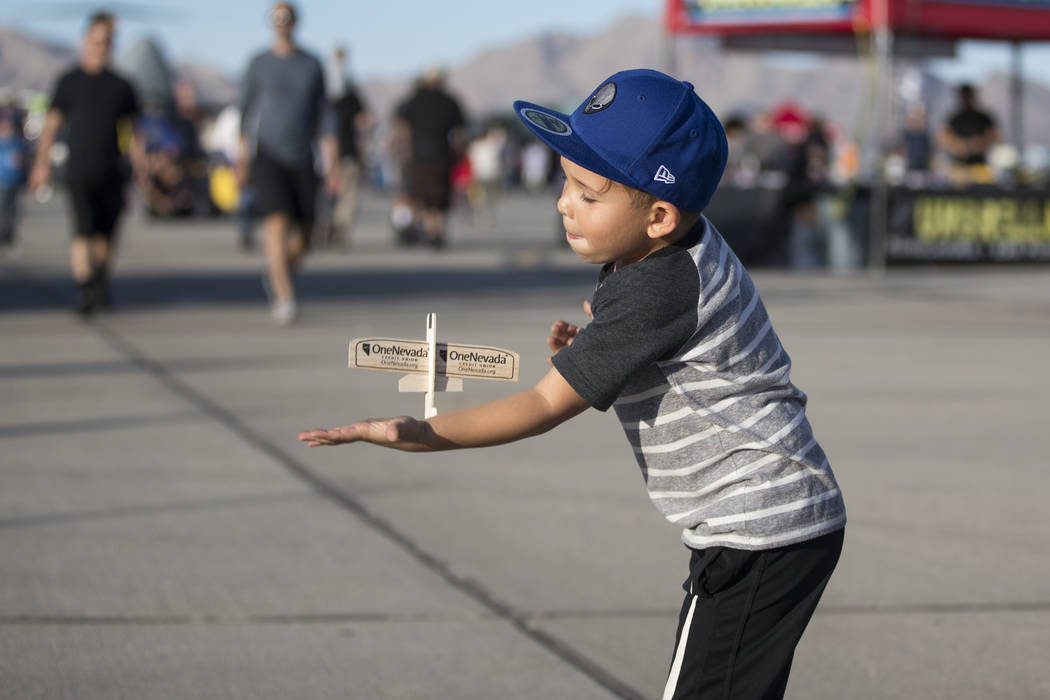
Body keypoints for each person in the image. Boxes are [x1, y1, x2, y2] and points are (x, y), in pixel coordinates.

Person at [299, 69, 846, 700]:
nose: (564, 204)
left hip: (758, 527)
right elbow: (678, 345)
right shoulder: (670, 253)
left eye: (588, 194)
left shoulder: (655, 286)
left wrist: (423, 432)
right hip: (775, 517)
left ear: (659, 215)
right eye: (565, 182)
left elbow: (541, 403)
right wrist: (601, 347)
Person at [29, 11, 143, 316]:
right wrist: (42, 164)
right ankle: (85, 289)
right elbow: (51, 125)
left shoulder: (122, 85)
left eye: (107, 41)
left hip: (112, 169)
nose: (101, 46)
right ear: (85, 41)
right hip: (79, 167)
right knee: (82, 230)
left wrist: (140, 165)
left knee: (105, 234)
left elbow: (134, 131)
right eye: (97, 40)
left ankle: (99, 279)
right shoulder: (69, 81)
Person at [237, 1, 339, 325]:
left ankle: (279, 271)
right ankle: (284, 293)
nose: (282, 21)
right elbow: (244, 115)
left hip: (303, 155)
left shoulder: (311, 64)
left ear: (295, 21)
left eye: (287, 16)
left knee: (308, 232)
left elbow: (325, 115)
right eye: (276, 16)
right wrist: (241, 159)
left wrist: (332, 161)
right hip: (268, 154)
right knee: (276, 221)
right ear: (270, 22)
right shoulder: (258, 63)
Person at [393, 67, 466, 248]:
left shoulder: (414, 100)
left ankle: (430, 229)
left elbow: (401, 125)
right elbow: (460, 131)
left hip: (419, 157)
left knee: (422, 196)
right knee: (437, 197)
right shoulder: (448, 101)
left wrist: (402, 149)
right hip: (440, 156)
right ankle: (435, 229)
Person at [323, 45, 372, 248]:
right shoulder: (349, 93)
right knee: (346, 193)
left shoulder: (322, 90)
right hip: (338, 150)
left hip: (329, 151)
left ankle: (332, 226)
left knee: (337, 191)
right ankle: (337, 226)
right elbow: (365, 121)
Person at [938, 83, 998, 185]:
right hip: (959, 168)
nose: (965, 98)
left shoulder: (982, 118)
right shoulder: (955, 119)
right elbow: (943, 137)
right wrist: (959, 146)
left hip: (979, 167)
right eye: (963, 95)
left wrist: (978, 145)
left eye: (968, 95)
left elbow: (994, 135)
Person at [0, 102, 28, 255]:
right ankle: (4, 237)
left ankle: (9, 237)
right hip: (2, 181)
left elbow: (24, 160)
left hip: (14, 181)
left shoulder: (17, 142)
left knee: (13, 211)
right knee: (3, 210)